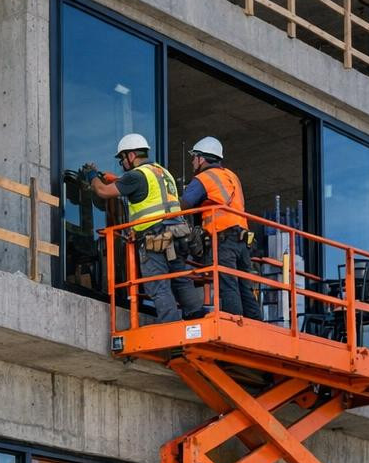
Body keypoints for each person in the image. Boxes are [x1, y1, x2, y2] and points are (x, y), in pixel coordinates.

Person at [78, 133, 204, 323]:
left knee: (157, 284)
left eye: (122, 159)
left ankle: (171, 327)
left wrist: (92, 176)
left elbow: (103, 192)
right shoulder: (162, 172)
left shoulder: (136, 176)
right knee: (180, 278)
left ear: (130, 155)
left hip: (156, 238)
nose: (123, 164)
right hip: (178, 234)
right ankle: (196, 317)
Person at [181, 136, 261, 320]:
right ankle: (255, 323)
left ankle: (235, 326)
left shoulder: (204, 178)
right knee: (244, 285)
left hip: (224, 239)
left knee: (228, 283)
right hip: (243, 240)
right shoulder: (232, 176)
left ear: (202, 158)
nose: (193, 161)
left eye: (194, 157)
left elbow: (183, 205)